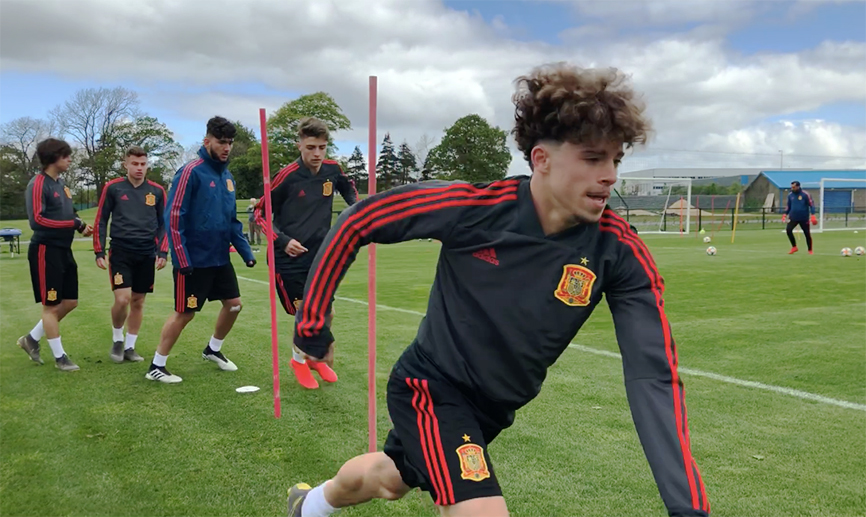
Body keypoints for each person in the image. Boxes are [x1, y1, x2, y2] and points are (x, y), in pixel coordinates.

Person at [285, 63, 710, 517]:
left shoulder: (619, 252)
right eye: (592, 158)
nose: (609, 175)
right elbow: (358, 219)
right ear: (542, 160)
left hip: (493, 409)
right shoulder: (474, 209)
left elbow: (653, 376)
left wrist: (689, 509)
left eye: (615, 160)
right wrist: (311, 325)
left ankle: (309, 504)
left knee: (389, 480)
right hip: (430, 388)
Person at [146, 116, 256, 384]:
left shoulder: (228, 178)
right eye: (221, 142)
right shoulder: (190, 172)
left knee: (234, 306)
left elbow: (232, 220)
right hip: (193, 260)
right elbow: (174, 217)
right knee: (186, 313)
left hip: (219, 258)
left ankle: (213, 350)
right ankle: (156, 366)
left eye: (230, 142)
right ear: (207, 141)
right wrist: (181, 257)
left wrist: (246, 253)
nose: (226, 147)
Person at [255, 117, 358, 389]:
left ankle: (313, 357)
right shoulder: (287, 176)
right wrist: (282, 240)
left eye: (322, 147)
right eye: (311, 147)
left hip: (320, 256)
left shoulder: (333, 170)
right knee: (306, 312)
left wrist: (357, 211)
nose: (317, 154)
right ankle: (299, 361)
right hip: (287, 259)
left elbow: (350, 192)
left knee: (329, 313)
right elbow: (259, 213)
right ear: (299, 144)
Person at [18, 138, 93, 371]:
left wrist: (79, 223)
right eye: (66, 155)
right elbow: (37, 220)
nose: (70, 159)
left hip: (64, 250)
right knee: (51, 306)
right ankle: (60, 358)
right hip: (45, 250)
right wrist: (73, 223)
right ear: (53, 158)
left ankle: (30, 339)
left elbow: (67, 215)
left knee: (70, 302)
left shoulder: (62, 185)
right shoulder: (38, 184)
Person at [92, 146, 168, 363]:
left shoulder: (157, 191)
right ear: (125, 164)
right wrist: (99, 250)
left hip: (146, 253)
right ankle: (117, 338)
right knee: (122, 298)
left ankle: (130, 347)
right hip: (121, 252)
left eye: (143, 164)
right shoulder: (113, 188)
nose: (139, 168)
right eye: (134, 164)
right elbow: (101, 220)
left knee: (138, 301)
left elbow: (164, 224)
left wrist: (163, 251)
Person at [783, 180, 817, 254]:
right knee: (788, 230)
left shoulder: (805, 194)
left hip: (804, 217)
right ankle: (794, 247)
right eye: (791, 187)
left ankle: (810, 250)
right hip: (793, 217)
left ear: (798, 186)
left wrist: (813, 215)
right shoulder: (790, 195)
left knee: (807, 233)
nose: (792, 188)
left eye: (794, 187)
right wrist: (785, 214)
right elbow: (788, 206)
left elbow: (811, 204)